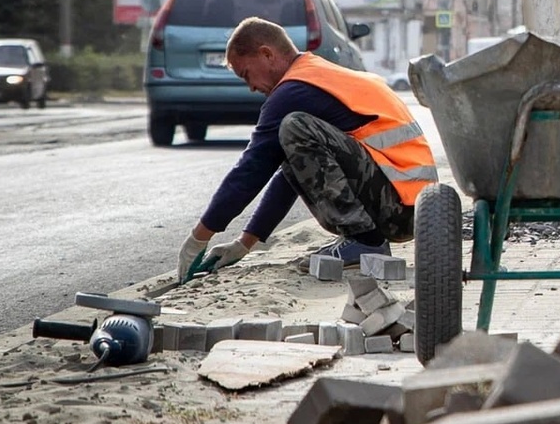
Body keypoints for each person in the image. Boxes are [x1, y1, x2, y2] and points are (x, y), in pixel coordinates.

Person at [176, 17, 438, 282]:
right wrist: (245, 242)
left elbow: (251, 169)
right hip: (414, 206)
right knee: (293, 138)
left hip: (402, 205)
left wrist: (199, 238)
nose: (251, 87)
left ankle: (365, 241)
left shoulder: (293, 91)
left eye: (247, 75)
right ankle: (363, 240)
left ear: (267, 54)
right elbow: (296, 171)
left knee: (295, 127)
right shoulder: (317, 75)